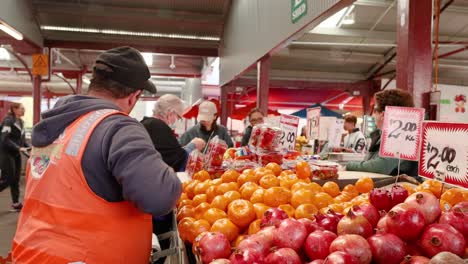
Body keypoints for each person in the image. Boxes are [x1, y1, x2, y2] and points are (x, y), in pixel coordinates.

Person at [12, 46, 182, 263]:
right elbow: (159, 196)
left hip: (29, 254)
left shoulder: (55, 125)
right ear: (133, 97)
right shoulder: (117, 126)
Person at [346, 89, 418, 176]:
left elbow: (380, 167)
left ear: (383, 114)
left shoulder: (401, 137)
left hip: (397, 188)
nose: (373, 115)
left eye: (374, 110)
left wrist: (347, 166)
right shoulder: (382, 136)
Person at [141, 94, 206, 172]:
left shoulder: (145, 123)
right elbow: (176, 160)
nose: (177, 121)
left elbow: (169, 152)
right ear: (170, 113)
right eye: (178, 117)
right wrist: (193, 146)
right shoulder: (159, 127)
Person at [0, 103, 30, 212]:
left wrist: (30, 148)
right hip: (5, 153)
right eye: (22, 108)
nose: (24, 110)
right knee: (8, 178)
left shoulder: (21, 122)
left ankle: (16, 203)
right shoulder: (8, 121)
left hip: (15, 153)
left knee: (15, 179)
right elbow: (4, 139)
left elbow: (22, 141)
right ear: (14, 109)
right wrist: (18, 147)